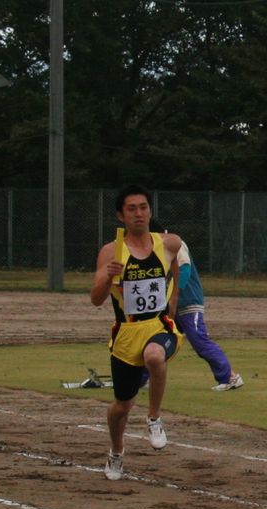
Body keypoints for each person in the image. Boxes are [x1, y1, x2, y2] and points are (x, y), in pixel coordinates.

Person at [90, 185, 185, 481]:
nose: (139, 213)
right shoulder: (111, 251)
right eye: (131, 208)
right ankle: (116, 452)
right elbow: (96, 299)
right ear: (121, 215)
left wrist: (173, 304)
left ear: (150, 211)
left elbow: (177, 275)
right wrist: (108, 276)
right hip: (127, 333)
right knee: (122, 405)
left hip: (159, 327)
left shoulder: (169, 243)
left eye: (143, 207)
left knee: (155, 356)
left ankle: (154, 418)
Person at [147, 221, 244, 392]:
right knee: (153, 340)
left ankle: (230, 377)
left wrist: (174, 295)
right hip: (170, 305)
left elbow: (185, 269)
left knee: (199, 341)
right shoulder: (157, 248)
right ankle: (141, 379)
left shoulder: (176, 243)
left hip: (188, 302)